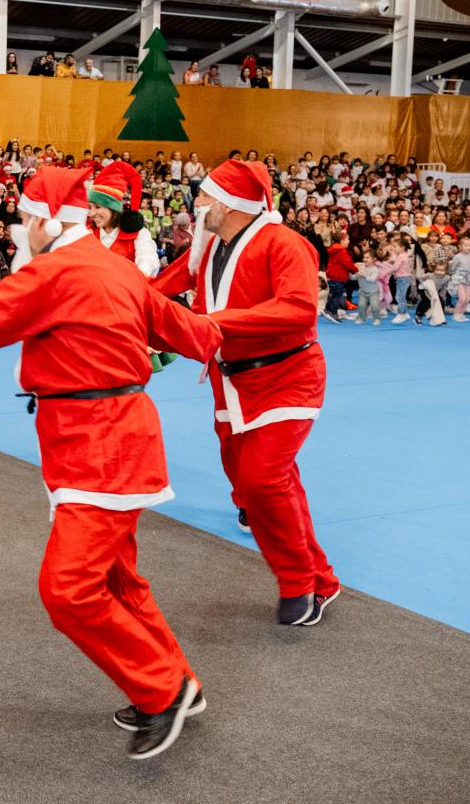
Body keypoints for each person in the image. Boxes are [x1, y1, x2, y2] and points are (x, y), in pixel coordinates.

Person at [0, 164, 221, 760]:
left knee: (69, 589)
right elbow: (187, 330)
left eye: (26, 217)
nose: (20, 228)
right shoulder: (111, 265)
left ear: (51, 221)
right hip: (108, 436)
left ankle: (164, 689)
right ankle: (177, 679)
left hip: (96, 443)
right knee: (115, 577)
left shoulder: (55, 271)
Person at [151, 159, 341, 626]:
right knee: (259, 483)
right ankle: (323, 578)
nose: (194, 205)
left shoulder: (285, 243)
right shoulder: (211, 244)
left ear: (228, 202)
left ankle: (299, 584)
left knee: (263, 480)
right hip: (230, 382)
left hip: (288, 377)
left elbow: (299, 311)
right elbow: (160, 289)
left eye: (203, 196)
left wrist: (212, 322)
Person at [87, 162, 160, 277]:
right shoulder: (86, 232)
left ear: (114, 208)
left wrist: (139, 275)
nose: (91, 213)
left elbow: (148, 257)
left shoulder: (138, 234)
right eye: (89, 207)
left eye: (97, 207)